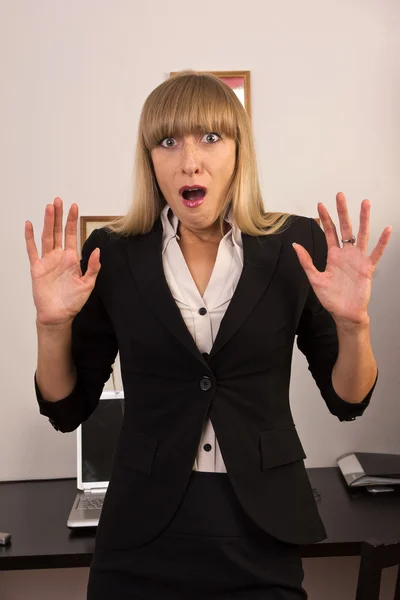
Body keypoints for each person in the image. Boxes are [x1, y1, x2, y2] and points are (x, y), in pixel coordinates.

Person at [25, 70, 391, 600]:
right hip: (141, 531)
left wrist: (355, 326)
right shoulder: (114, 252)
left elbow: (348, 399)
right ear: (150, 159)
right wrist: (51, 327)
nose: (189, 161)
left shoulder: (298, 245)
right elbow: (65, 408)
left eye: (211, 138)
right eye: (168, 141)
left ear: (240, 151)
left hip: (260, 526)